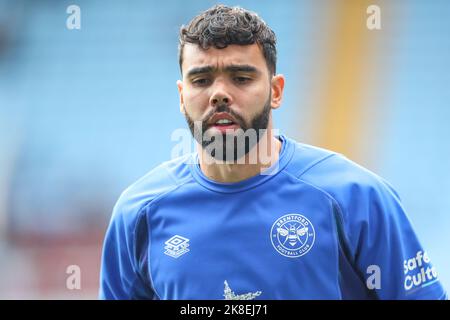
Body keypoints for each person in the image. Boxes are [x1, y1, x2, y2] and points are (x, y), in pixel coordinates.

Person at [99, 4, 447, 300]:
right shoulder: (138, 213)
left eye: (241, 77)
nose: (220, 93)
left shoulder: (355, 198)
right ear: (181, 96)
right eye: (202, 80)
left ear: (276, 91)